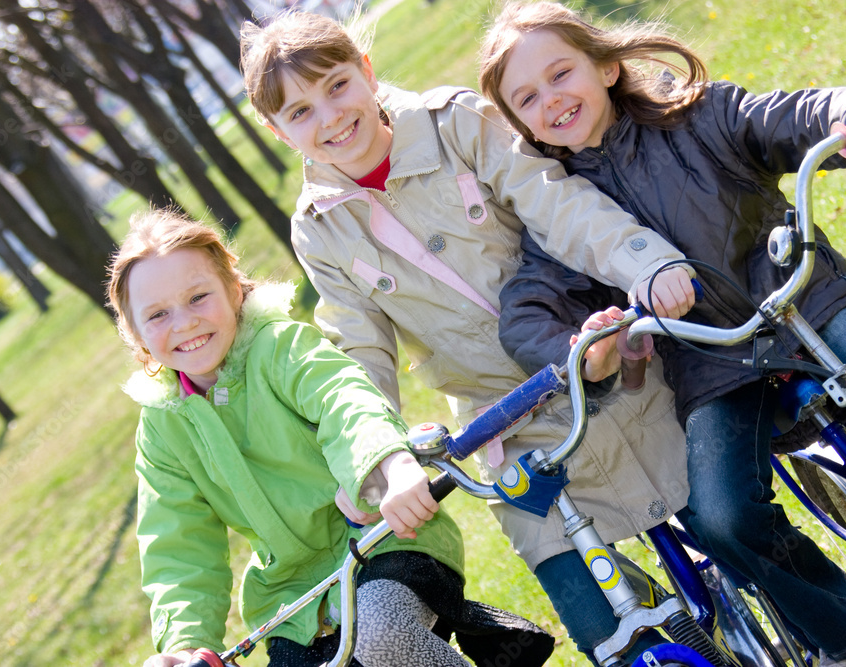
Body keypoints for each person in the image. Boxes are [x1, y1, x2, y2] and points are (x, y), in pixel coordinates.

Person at [240, 9, 698, 666]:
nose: (331, 116)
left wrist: (642, 263)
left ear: (366, 72)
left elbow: (557, 205)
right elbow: (359, 353)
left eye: (338, 86)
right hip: (506, 426)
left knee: (726, 524)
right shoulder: (320, 229)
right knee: (601, 625)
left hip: (604, 355)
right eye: (301, 112)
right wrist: (370, 463)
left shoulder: (456, 123)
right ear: (277, 131)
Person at [478, 2, 846, 665]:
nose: (551, 101)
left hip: (805, 301)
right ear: (518, 125)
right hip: (712, 366)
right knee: (723, 516)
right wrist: (585, 347)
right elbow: (526, 312)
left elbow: (788, 118)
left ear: (607, 65)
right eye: (527, 99)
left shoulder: (699, 116)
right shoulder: (561, 216)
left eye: (561, 74)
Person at [107, 209, 555, 667]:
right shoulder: (163, 427)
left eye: (198, 297)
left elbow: (344, 401)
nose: (183, 323)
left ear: (234, 289)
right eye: (158, 315)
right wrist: (183, 644)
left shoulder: (282, 349)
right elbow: (178, 543)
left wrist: (390, 465)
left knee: (379, 634)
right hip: (294, 599)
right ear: (136, 336)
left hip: (382, 541)